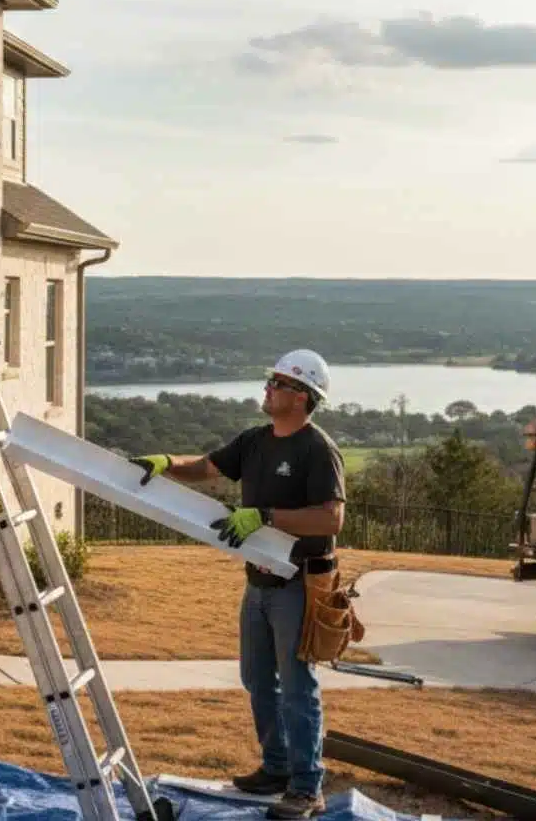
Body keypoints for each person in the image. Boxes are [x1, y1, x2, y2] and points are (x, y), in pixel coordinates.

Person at [128, 349, 345, 820]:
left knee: (297, 686)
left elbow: (331, 518)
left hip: (299, 585)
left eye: (278, 382)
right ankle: (277, 768)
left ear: (303, 396)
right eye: (270, 379)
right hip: (259, 583)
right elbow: (207, 468)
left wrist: (265, 517)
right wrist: (166, 463)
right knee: (256, 678)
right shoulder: (255, 441)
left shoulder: (316, 449)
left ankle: (307, 788)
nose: (267, 387)